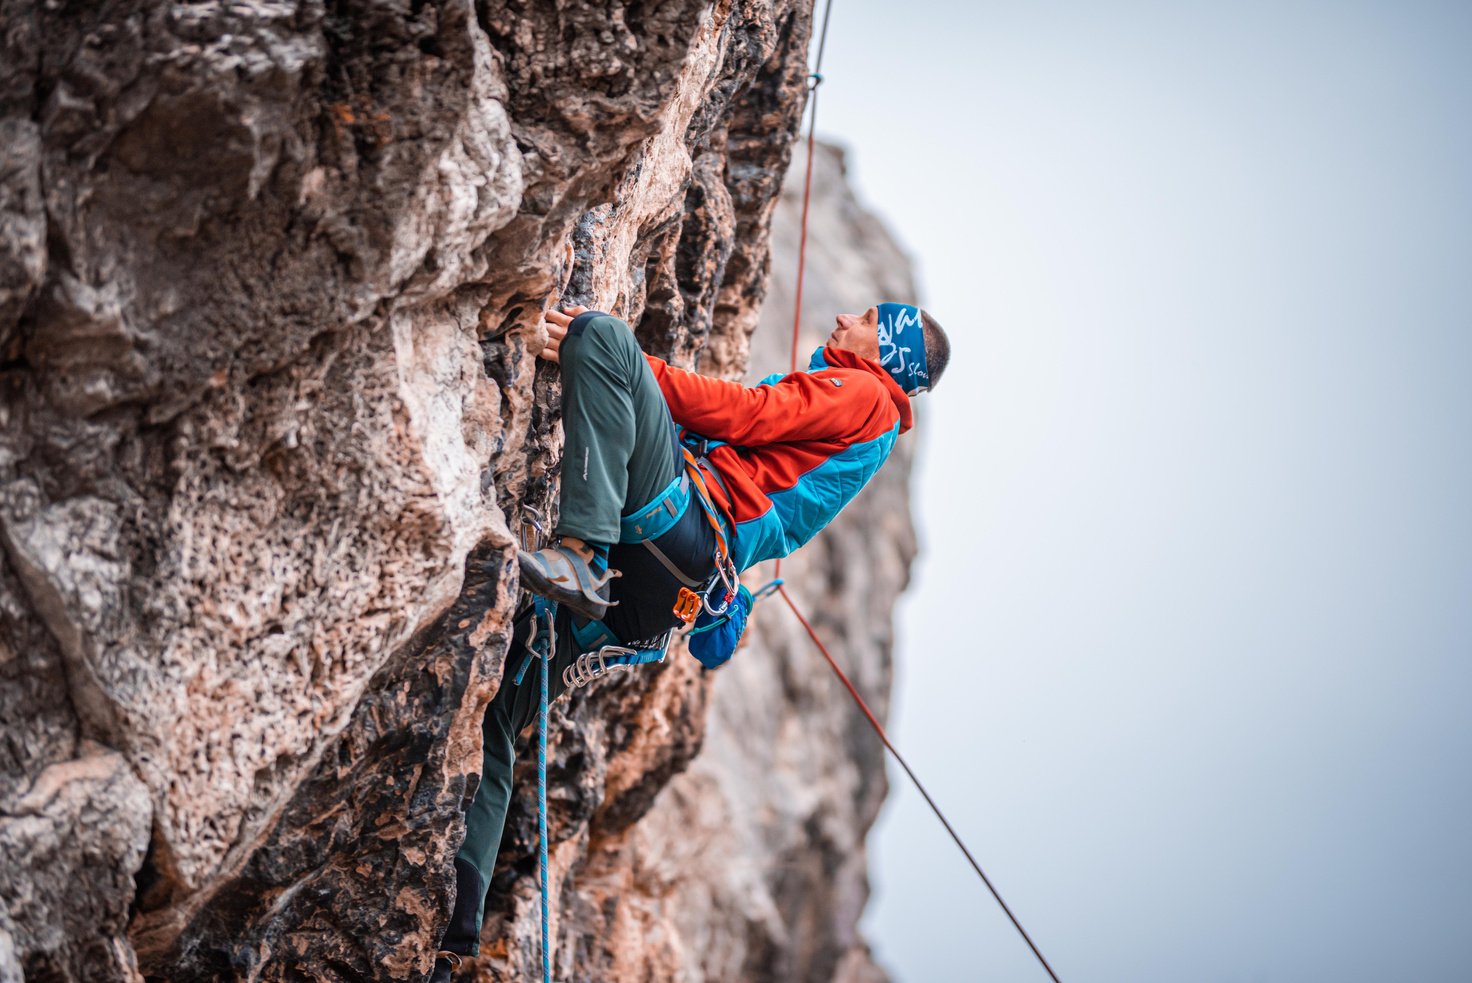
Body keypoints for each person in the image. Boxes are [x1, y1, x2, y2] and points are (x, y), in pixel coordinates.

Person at [430, 300, 950, 978]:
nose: (848, 315)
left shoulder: (864, 394)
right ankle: (452, 944)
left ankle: (583, 553)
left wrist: (626, 369)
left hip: (677, 528)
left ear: (890, 351)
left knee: (602, 336)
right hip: (665, 596)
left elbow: (745, 414)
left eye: (871, 319)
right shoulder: (867, 436)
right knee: (498, 711)